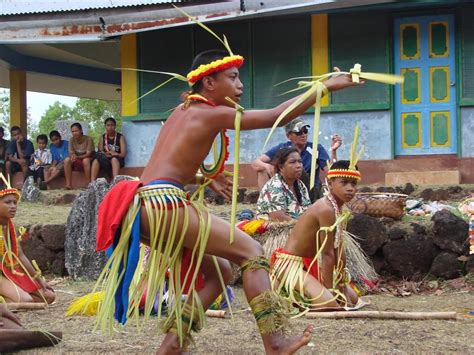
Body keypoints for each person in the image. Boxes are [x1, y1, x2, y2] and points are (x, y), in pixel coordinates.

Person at [94, 49, 358, 353]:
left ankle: (170, 346)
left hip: (144, 208)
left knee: (219, 272)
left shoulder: (181, 112)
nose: (240, 86)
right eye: (232, 78)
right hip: (165, 204)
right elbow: (274, 117)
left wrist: (205, 178)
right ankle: (275, 343)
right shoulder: (210, 112)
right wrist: (325, 87)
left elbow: (169, 164)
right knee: (252, 252)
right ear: (208, 82)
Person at [270, 160, 361, 311]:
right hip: (291, 266)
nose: (350, 188)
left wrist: (341, 280)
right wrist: (330, 291)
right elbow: (327, 254)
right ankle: (293, 293)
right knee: (329, 305)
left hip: (309, 265)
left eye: (353, 184)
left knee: (352, 300)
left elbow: (338, 249)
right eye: (344, 182)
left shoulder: (339, 210)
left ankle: (312, 294)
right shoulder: (326, 209)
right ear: (330, 184)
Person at [251, 118, 342, 200]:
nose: (303, 135)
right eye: (299, 132)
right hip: (285, 187)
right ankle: (265, 202)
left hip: (309, 190)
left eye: (305, 131)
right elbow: (255, 163)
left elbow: (331, 172)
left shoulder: (316, 148)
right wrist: (267, 166)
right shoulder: (282, 148)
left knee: (298, 168)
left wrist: (333, 151)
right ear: (288, 136)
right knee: (261, 169)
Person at [0, 176, 55, 304]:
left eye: (15, 202)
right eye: (7, 202)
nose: (13, 206)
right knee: (27, 300)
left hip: (10, 270)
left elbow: (20, 255)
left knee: (49, 296)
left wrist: (39, 279)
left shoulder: (9, 225)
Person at [256, 147, 311, 221]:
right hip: (277, 229)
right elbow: (279, 218)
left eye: (300, 161)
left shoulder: (300, 185)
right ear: (281, 167)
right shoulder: (274, 187)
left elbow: (307, 209)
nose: (299, 165)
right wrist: (304, 226)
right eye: (293, 162)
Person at [91, 117, 127, 181]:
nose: (110, 127)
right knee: (96, 160)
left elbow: (123, 154)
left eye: (112, 125)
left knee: (114, 159)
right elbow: (100, 152)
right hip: (105, 160)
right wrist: (107, 154)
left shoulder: (120, 137)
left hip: (117, 160)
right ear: (105, 126)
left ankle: (115, 181)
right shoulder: (102, 137)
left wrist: (115, 154)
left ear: (115, 126)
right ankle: (92, 183)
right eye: (108, 125)